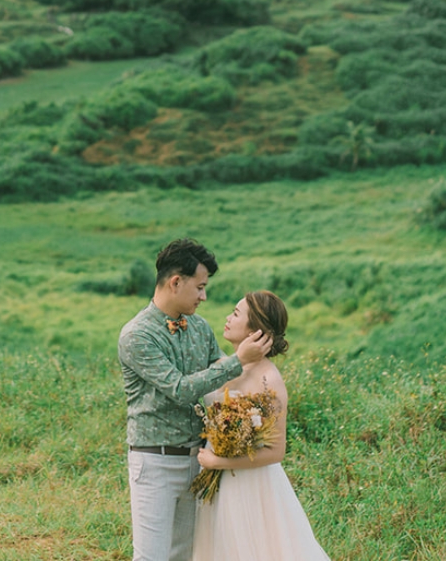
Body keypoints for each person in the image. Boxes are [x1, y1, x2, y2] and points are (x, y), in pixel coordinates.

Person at [118, 238, 273, 561]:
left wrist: (266, 376)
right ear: (176, 282)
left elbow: (224, 378)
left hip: (198, 461)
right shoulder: (137, 335)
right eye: (200, 287)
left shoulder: (200, 328)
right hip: (154, 462)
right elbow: (180, 390)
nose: (204, 296)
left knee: (185, 556)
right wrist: (238, 360)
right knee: (151, 557)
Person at [192, 290, 329, 561]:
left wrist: (217, 461)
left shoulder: (269, 380)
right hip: (215, 481)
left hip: (249, 484)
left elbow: (276, 452)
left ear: (256, 330)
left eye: (236, 313)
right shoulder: (224, 365)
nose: (228, 318)